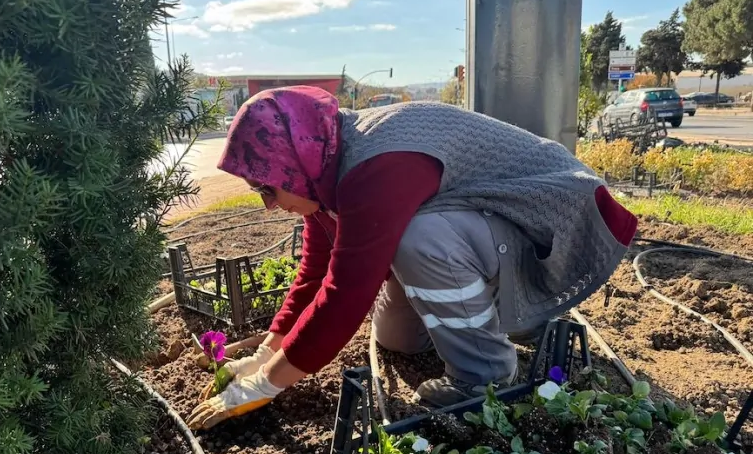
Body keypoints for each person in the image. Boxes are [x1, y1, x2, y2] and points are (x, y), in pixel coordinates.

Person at [185, 86, 638, 431]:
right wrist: (264, 354)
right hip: (493, 232)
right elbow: (315, 271)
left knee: (419, 238)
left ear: (293, 163)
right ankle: (505, 317)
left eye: (267, 187)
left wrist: (266, 384)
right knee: (397, 338)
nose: (268, 203)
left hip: (559, 225)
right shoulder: (324, 166)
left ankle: (485, 377)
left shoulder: (374, 166)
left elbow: (345, 296)